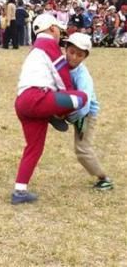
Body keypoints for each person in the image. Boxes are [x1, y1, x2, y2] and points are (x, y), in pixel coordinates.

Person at [11, 14, 88, 205]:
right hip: (37, 98)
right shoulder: (48, 44)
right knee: (82, 97)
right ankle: (55, 114)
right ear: (52, 29)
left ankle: (19, 191)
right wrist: (71, 96)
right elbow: (61, 75)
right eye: (58, 30)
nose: (59, 34)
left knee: (34, 147)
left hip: (22, 102)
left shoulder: (34, 49)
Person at [64, 33, 113, 190]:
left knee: (82, 149)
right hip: (73, 109)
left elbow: (84, 104)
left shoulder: (82, 76)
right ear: (66, 49)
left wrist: (70, 118)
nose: (74, 57)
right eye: (72, 52)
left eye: (79, 55)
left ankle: (104, 178)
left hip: (85, 115)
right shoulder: (61, 65)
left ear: (85, 57)